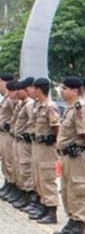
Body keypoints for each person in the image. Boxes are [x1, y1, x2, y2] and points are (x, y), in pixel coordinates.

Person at [54, 76, 85, 234]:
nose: (62, 91)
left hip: (77, 156)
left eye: (65, 88)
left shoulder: (80, 108)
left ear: (75, 91)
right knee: (68, 189)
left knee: (78, 189)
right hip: (67, 157)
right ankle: (72, 220)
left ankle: (80, 225)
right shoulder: (71, 108)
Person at [28, 78, 60, 224]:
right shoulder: (38, 105)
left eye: (33, 88)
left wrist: (53, 139)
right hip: (37, 146)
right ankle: (44, 205)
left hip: (47, 148)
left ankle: (51, 210)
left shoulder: (50, 106)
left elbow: (56, 127)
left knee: (47, 178)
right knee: (38, 177)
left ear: (39, 89)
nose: (32, 91)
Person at [12, 77, 35, 212]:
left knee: (26, 168)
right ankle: (23, 194)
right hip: (18, 140)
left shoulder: (29, 105)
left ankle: (30, 197)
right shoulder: (23, 104)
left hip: (26, 142)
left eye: (19, 90)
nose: (17, 93)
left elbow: (33, 123)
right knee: (19, 167)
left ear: (26, 90)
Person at [0, 73, 18, 203]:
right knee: (6, 162)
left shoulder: (12, 99)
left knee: (10, 161)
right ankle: (8, 184)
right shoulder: (6, 97)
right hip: (3, 133)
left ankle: (12, 186)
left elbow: (16, 116)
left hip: (9, 134)